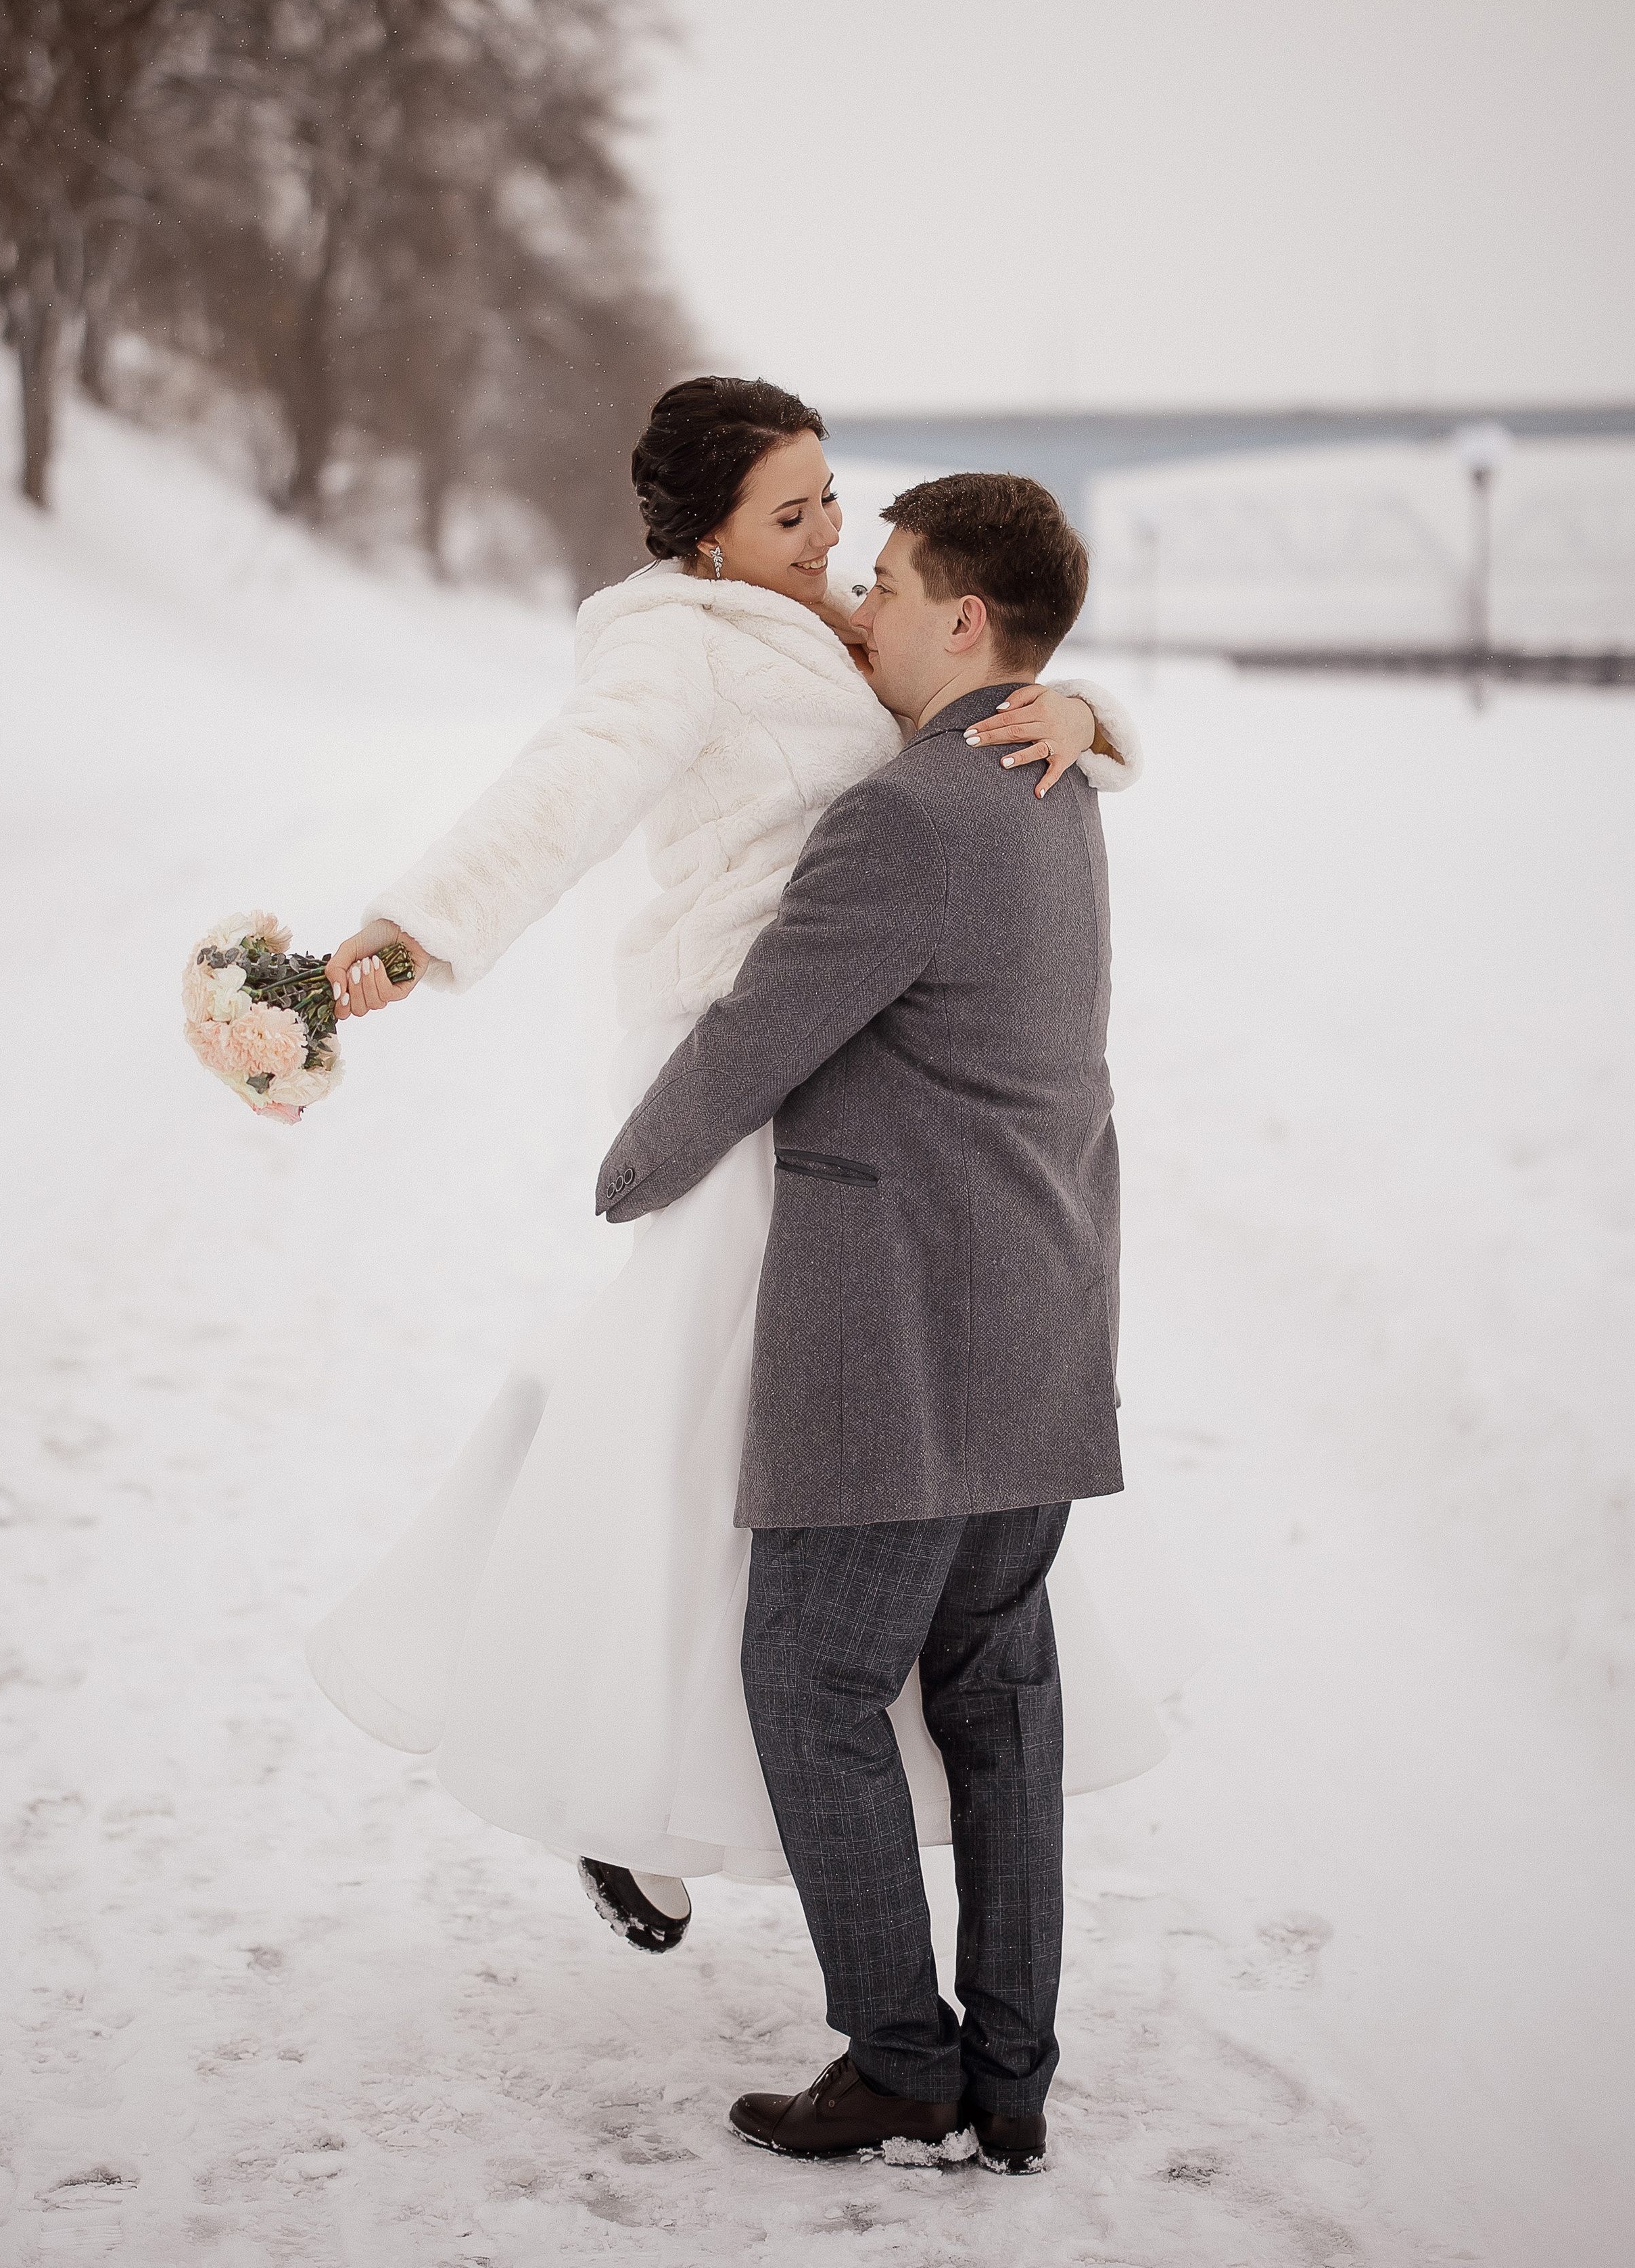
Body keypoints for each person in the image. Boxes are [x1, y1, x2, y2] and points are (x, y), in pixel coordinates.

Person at [304, 377, 1153, 1955]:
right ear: (705, 539)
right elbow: (560, 796)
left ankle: (671, 1785)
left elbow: (971, 713)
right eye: (790, 515)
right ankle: (617, 1784)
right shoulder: (673, 646)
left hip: (849, 1076)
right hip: (740, 1072)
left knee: (746, 1445)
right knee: (714, 1448)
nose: (830, 536)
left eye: (833, 499)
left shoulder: (822, 618)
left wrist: (1092, 719)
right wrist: (412, 932)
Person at [594, 471, 1118, 2171]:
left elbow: (763, 1029)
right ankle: (1010, 2078)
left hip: (896, 1340)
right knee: (997, 1700)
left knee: (811, 1681)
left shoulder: (905, 815)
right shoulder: (1055, 781)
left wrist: (630, 1170)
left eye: (886, 582)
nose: (861, 605)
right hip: (1041, 1317)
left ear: (965, 622)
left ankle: (901, 2060)